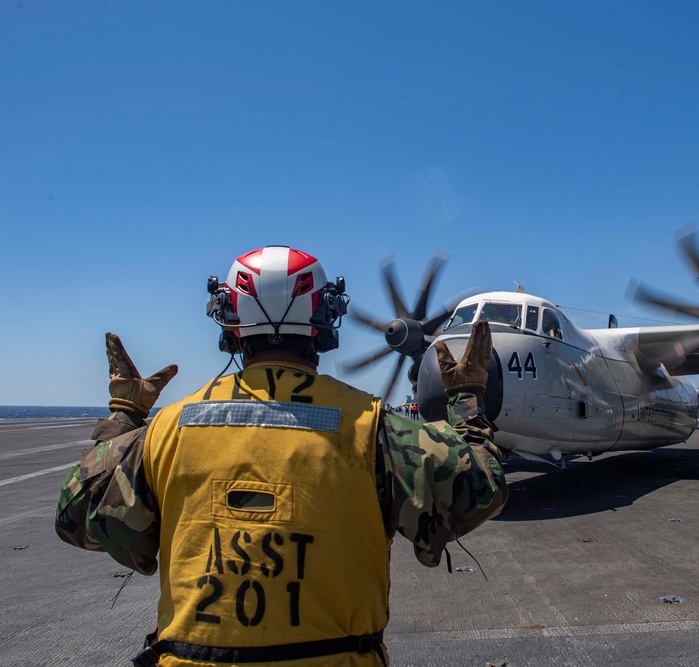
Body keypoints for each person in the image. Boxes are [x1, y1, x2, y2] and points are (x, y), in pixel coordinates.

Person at [56, 246, 508, 667]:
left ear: (228, 323)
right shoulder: (373, 429)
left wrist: (126, 414)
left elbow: (77, 512)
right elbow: (479, 489)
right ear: (327, 318)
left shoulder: (165, 431)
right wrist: (466, 398)